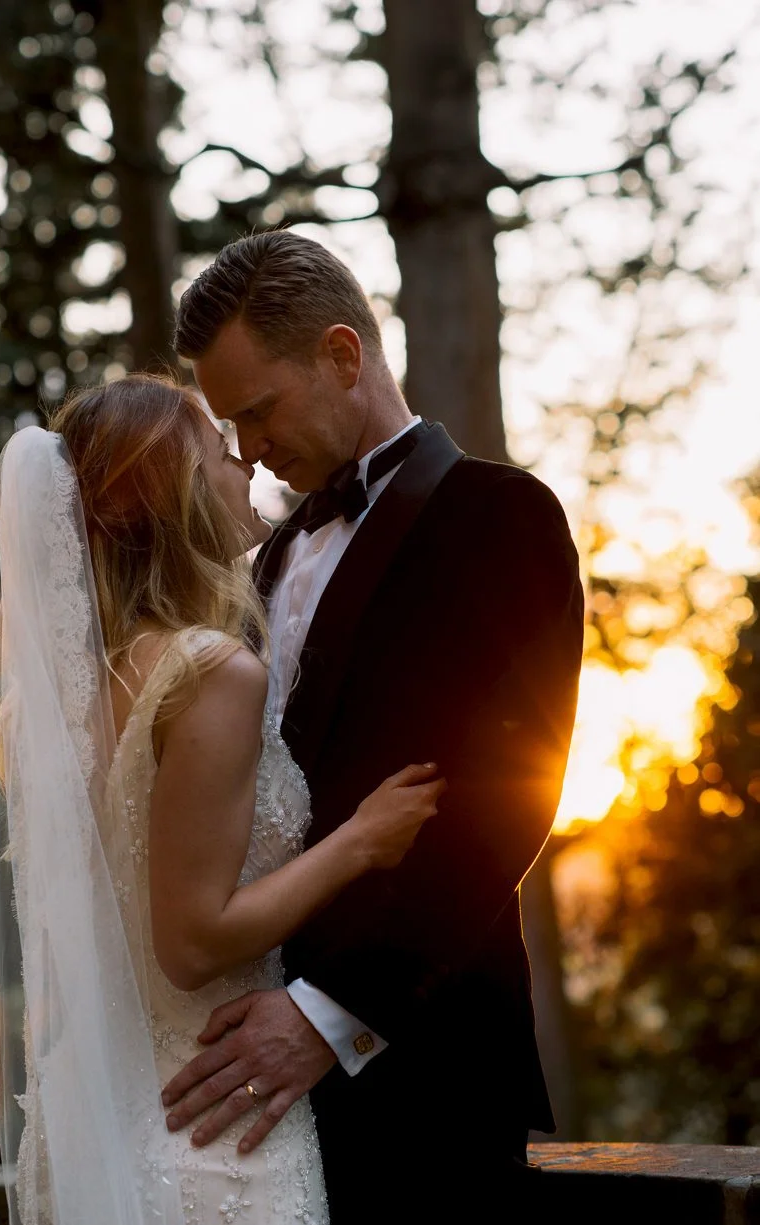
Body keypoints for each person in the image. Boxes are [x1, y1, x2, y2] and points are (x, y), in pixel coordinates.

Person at [161, 230, 585, 1223]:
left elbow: (503, 805)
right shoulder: (267, 562)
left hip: (425, 1064)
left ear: (343, 355)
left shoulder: (501, 515)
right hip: (259, 1084)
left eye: (259, 411)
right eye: (232, 427)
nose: (252, 450)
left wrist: (328, 1017)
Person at [0, 373, 446, 1225]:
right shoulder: (205, 671)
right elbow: (193, 943)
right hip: (213, 1135)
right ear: (167, 491)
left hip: (103, 1124)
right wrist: (357, 840)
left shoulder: (63, 698)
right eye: (216, 450)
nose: (245, 464)